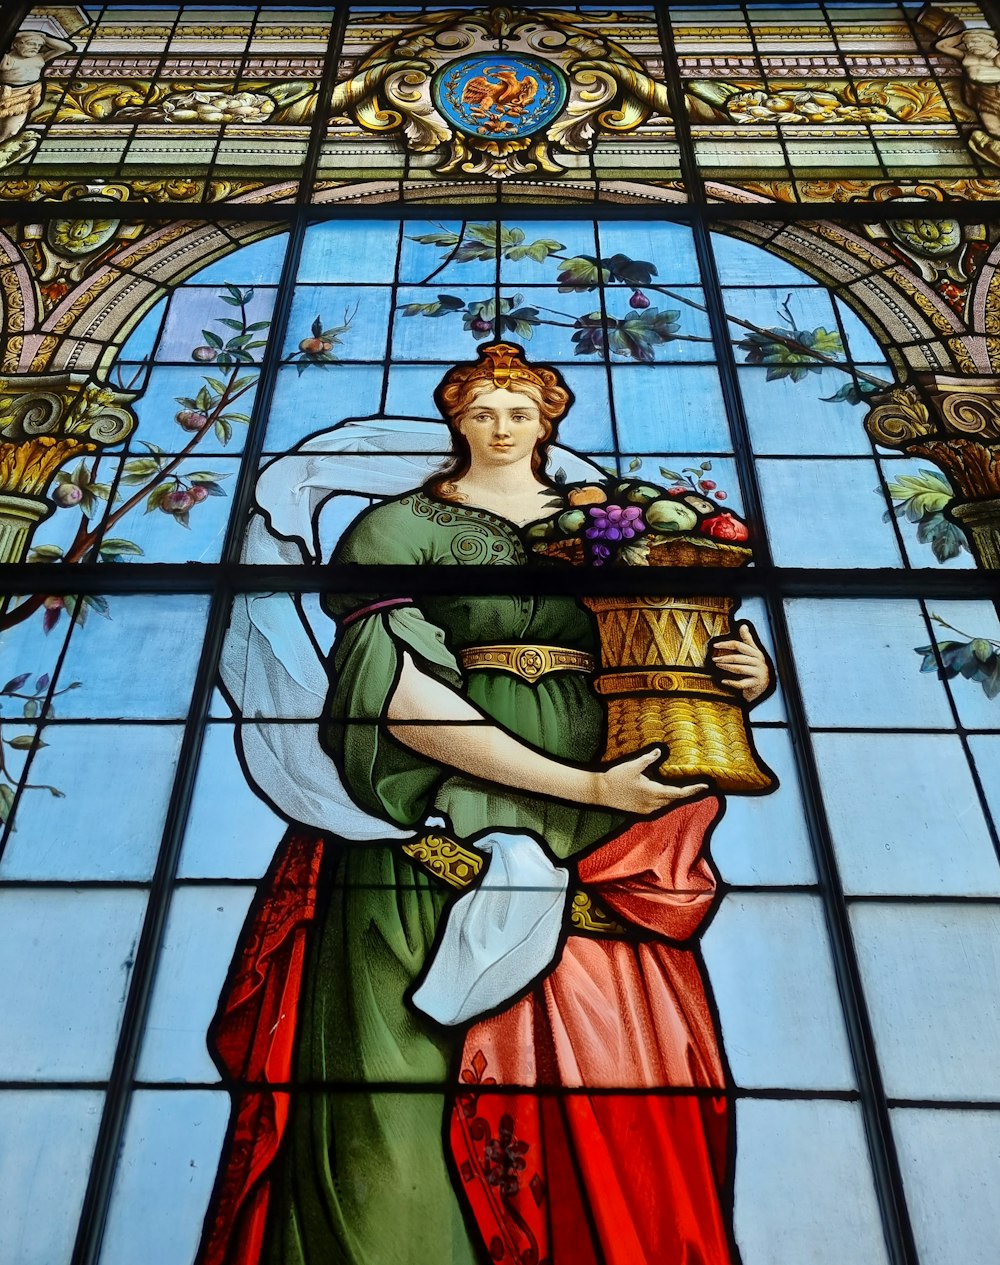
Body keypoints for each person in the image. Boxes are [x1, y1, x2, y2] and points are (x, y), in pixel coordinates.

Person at [198, 343, 772, 1265]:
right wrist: (585, 784)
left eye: (521, 410)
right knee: (392, 1131)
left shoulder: (610, 525)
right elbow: (400, 697)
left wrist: (744, 674)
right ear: (454, 420)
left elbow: (671, 648)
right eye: (482, 411)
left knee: (629, 1112)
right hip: (423, 844)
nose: (502, 427)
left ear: (551, 418)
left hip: (611, 847)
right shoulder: (396, 528)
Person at [0, 29, 74, 152]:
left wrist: (43, 37)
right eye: (30, 44)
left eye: (39, 45)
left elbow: (66, 48)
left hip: (27, 97)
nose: (36, 48)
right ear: (16, 44)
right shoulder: (7, 59)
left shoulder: (40, 58)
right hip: (6, 96)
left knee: (11, 131)